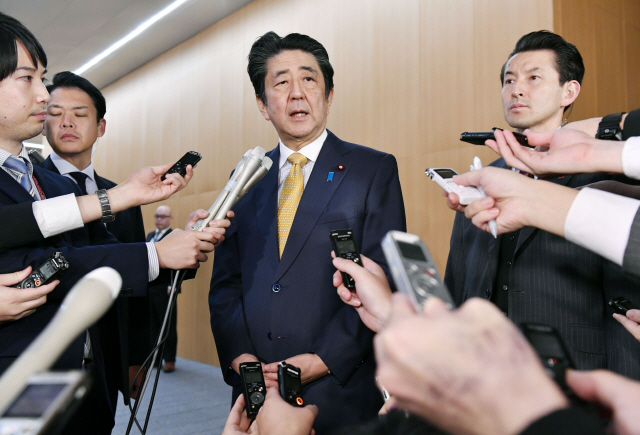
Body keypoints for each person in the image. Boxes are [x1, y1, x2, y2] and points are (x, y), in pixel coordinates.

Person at [0, 12, 225, 434]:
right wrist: (154, 252)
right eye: (27, 79)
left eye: (41, 79)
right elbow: (46, 262)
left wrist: (180, 245)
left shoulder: (47, 180)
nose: (44, 97)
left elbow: (94, 250)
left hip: (88, 376)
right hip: (22, 382)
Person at [209, 31, 406, 433]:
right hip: (257, 392)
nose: (296, 93)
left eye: (309, 79)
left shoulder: (372, 170)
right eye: (280, 83)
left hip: (339, 385)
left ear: (328, 94)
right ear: (264, 106)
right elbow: (226, 283)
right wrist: (242, 360)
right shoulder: (246, 176)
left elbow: (386, 279)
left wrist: (320, 361)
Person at [444, 30, 640, 379]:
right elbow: (457, 286)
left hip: (577, 376)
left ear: (569, 91)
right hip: (484, 376)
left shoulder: (606, 175)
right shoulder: (479, 179)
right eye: (509, 80)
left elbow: (623, 301)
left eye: (534, 78)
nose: (517, 89)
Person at [147, 205, 178, 372]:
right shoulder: (150, 236)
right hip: (150, 288)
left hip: (166, 289)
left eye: (163, 216)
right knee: (152, 326)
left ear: (170, 218)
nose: (159, 219)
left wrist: (173, 285)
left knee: (168, 326)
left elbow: (179, 264)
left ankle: (170, 359)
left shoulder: (174, 236)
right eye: (157, 216)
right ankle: (156, 359)